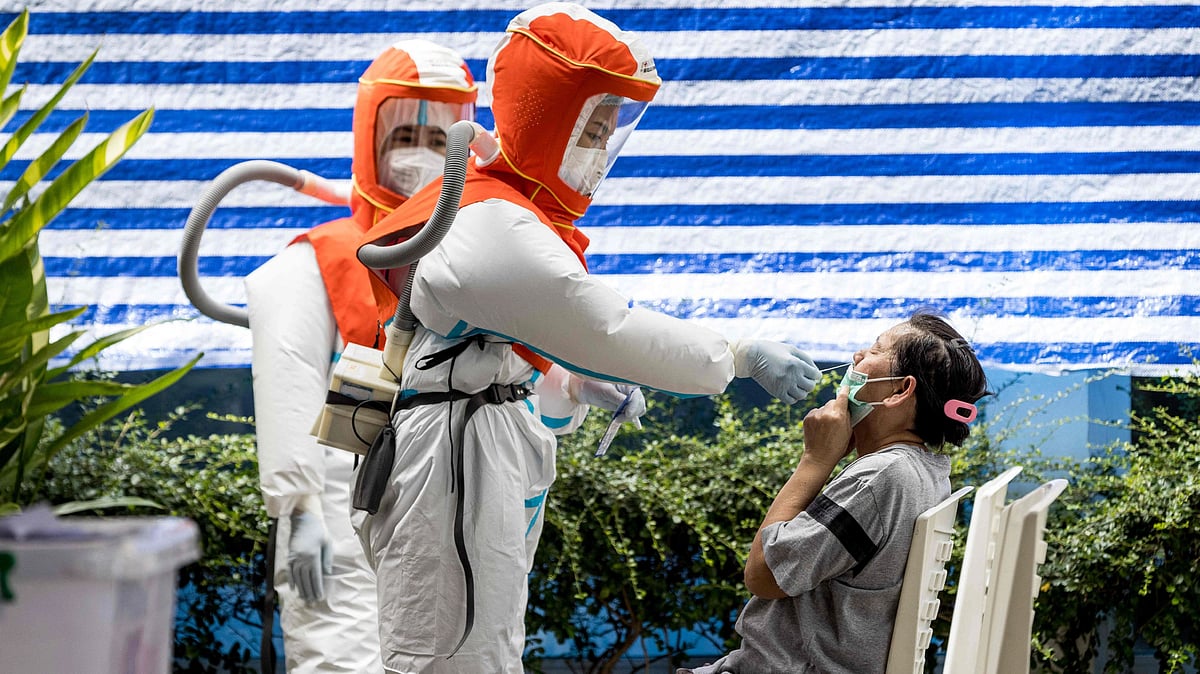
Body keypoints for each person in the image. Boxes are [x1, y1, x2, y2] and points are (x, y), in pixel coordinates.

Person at [351, 4, 822, 673]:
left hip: (469, 455)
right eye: (591, 129)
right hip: (453, 466)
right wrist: (738, 354)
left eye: (608, 132)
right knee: (451, 655)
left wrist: (567, 384)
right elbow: (601, 325)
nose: (601, 152)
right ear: (547, 117)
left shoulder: (505, 212)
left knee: (483, 643)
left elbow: (514, 339)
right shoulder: (494, 226)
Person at [242, 40, 477, 674]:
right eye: (406, 133)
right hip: (341, 514)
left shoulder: (480, 259)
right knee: (340, 661)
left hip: (448, 517)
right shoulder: (313, 262)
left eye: (440, 136)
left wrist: (580, 385)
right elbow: (287, 387)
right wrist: (298, 514)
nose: (423, 153)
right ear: (369, 134)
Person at [677, 311, 991, 674]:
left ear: (900, 389)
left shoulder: (880, 478)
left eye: (875, 350)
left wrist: (814, 459)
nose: (857, 356)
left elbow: (763, 575)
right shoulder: (927, 470)